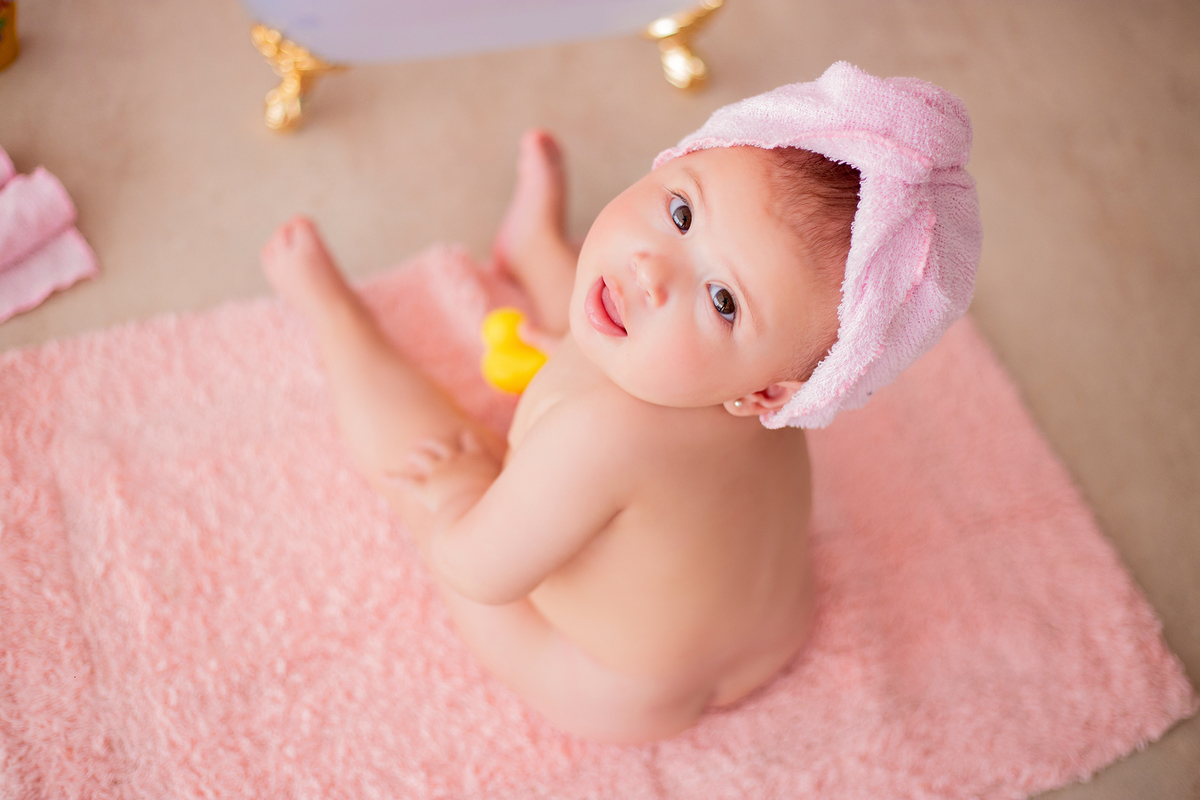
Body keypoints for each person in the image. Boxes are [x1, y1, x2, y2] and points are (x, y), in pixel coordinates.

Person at [261, 62, 981, 743]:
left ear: (767, 390)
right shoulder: (752, 385)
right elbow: (631, 321)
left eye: (723, 300)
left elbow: (478, 571)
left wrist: (454, 497)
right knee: (600, 317)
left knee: (428, 465)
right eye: (680, 211)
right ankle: (535, 246)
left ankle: (335, 319)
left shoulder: (597, 436)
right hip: (774, 633)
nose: (652, 268)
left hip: (619, 687)